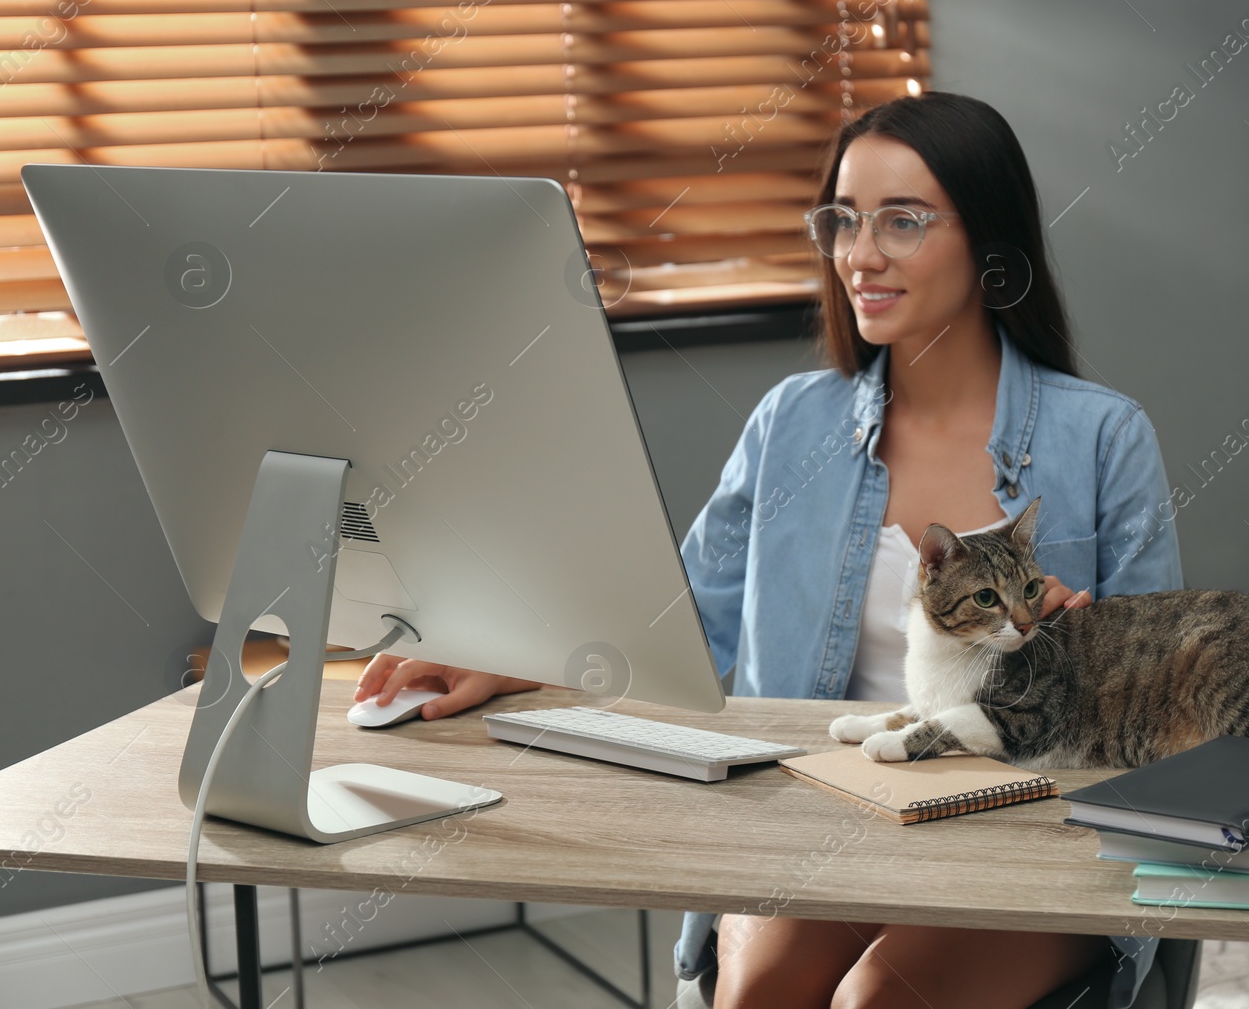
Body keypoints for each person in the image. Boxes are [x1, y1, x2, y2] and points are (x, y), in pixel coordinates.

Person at [354, 90, 1183, 1009]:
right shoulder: (794, 423)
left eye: (902, 221)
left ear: (990, 245)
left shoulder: (1104, 438)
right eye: (843, 220)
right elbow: (681, 629)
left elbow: (1165, 723)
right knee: (758, 994)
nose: (861, 256)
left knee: (877, 1000)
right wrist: (509, 655)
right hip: (820, 816)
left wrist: (1090, 662)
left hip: (1025, 835)